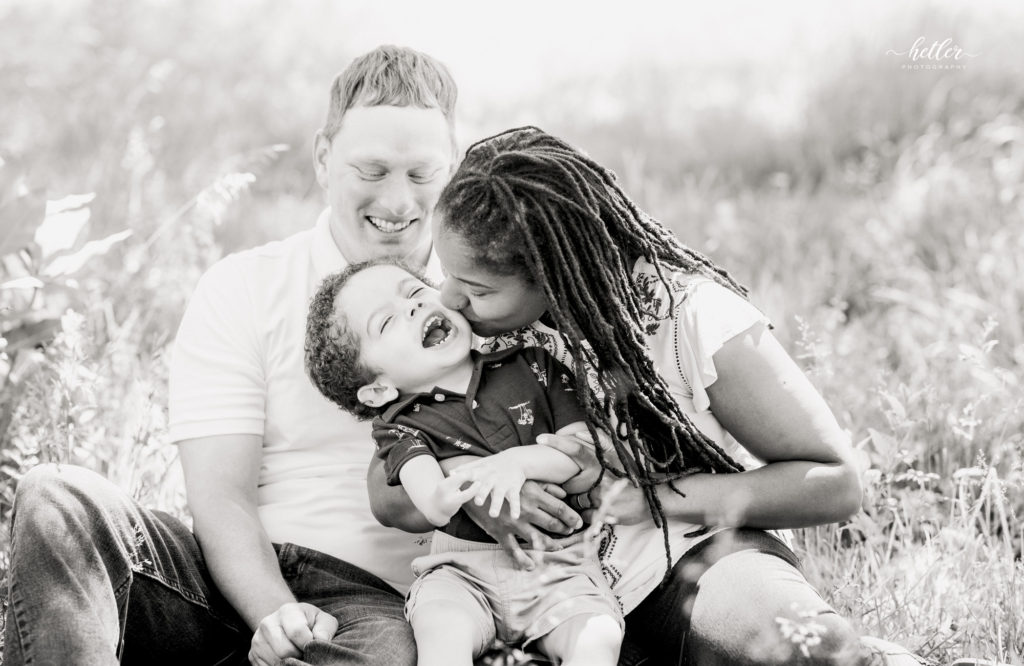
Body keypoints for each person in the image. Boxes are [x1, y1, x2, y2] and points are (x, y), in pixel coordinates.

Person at [2, 45, 508, 666]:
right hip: (227, 580)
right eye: (371, 172)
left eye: (422, 175)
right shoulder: (245, 285)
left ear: (453, 168)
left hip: (377, 609)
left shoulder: (485, 299)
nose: (399, 202)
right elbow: (222, 498)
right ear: (324, 159)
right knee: (59, 499)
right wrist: (276, 612)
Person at [420, 126, 922, 665]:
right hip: (544, 592)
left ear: (551, 275)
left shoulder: (692, 319)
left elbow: (836, 484)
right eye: (446, 274)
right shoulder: (454, 329)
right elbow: (388, 479)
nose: (447, 297)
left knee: (805, 653)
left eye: (476, 291)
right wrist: (474, 495)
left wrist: (656, 500)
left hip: (690, 564)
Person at [303, 258, 623, 666]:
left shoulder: (534, 365)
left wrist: (515, 464)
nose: (414, 308)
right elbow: (433, 499)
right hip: (460, 570)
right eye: (386, 322)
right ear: (379, 389)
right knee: (441, 629)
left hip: (557, 564)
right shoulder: (399, 427)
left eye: (415, 293)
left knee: (597, 637)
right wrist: (465, 483)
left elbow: (581, 458)